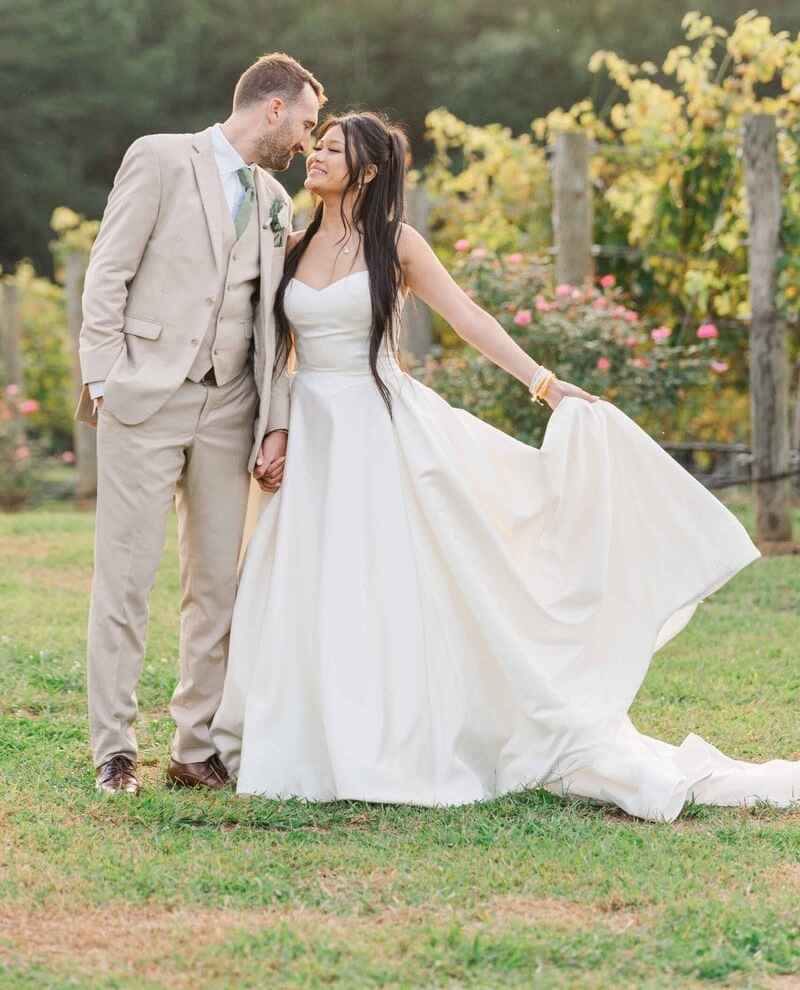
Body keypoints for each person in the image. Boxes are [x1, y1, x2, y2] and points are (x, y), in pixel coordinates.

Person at [211, 111, 800, 822]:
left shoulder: (397, 243)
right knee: (311, 580)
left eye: (333, 148)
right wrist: (274, 428)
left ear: (366, 171)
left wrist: (544, 384)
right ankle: (310, 736)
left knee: (388, 580)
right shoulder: (293, 244)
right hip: (311, 434)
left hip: (381, 427)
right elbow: (275, 349)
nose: (316, 154)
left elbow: (468, 319)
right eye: (319, 144)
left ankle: (394, 737)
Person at [77, 53, 325, 795]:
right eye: (306, 123)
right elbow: (108, 271)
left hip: (231, 409)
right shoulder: (159, 159)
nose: (308, 141)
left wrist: (273, 420)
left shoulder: (276, 199)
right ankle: (115, 750)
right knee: (126, 578)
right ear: (273, 108)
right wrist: (105, 381)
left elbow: (274, 322)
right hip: (144, 399)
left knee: (217, 586)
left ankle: (194, 748)